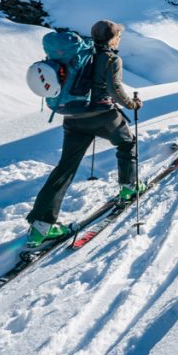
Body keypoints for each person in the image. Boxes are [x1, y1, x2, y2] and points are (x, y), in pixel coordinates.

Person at [26, 20, 144, 248]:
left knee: (65, 167)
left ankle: (40, 227)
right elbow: (115, 90)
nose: (119, 38)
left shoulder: (81, 54)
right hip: (103, 115)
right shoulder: (111, 58)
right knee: (127, 143)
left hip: (74, 118)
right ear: (113, 37)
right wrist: (133, 104)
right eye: (118, 34)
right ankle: (129, 188)